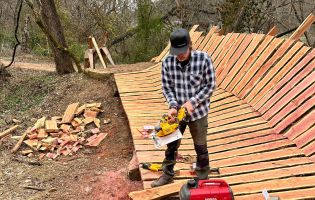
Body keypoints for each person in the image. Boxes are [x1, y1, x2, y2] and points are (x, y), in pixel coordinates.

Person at [151, 28, 216, 187]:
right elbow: (167, 88)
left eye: (183, 51)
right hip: (177, 115)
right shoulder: (167, 62)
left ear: (190, 45)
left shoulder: (204, 59)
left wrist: (192, 103)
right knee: (171, 145)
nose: (180, 55)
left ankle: (202, 177)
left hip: (198, 113)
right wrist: (173, 106)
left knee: (200, 146)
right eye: (176, 51)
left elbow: (210, 86)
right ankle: (167, 174)